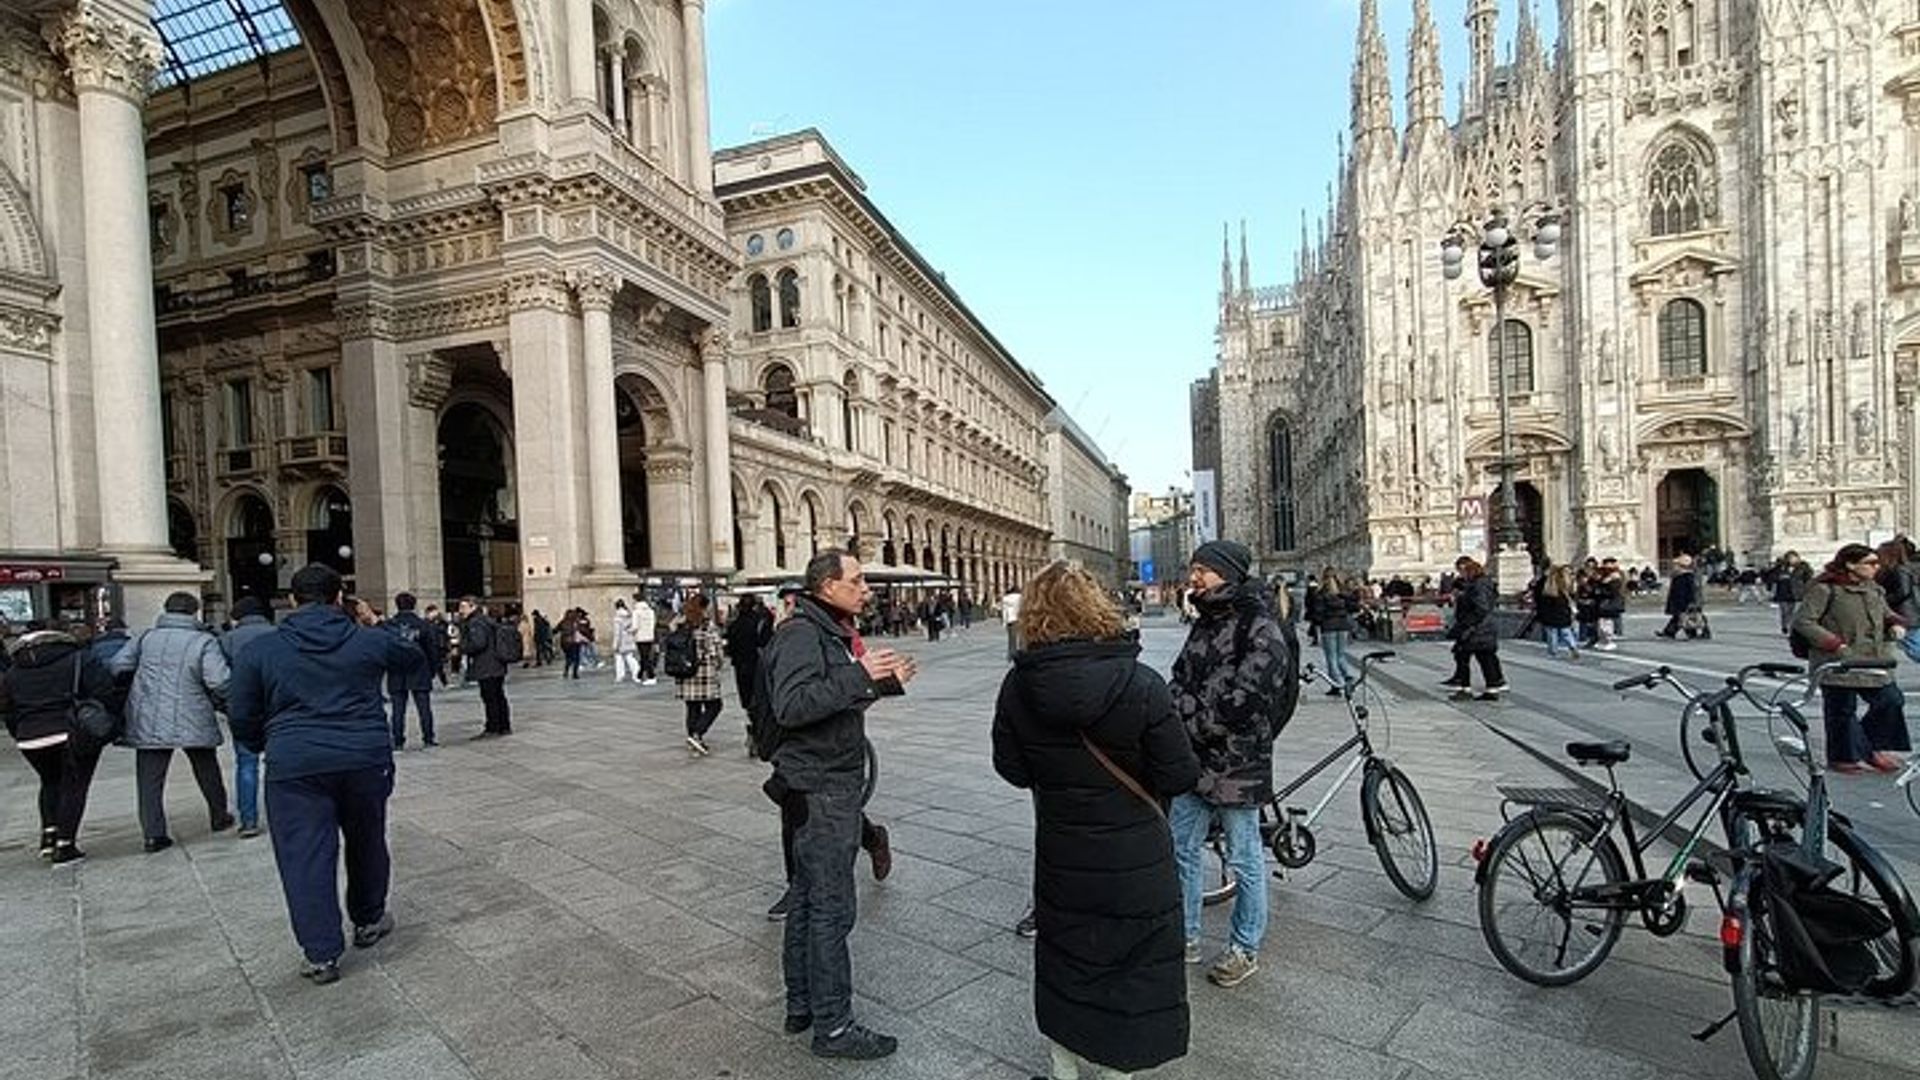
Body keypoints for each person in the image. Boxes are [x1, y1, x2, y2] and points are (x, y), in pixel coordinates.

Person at [992, 561, 1200, 1080]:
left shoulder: (1019, 687)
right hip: (1137, 856)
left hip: (1064, 850)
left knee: (1069, 955)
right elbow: (1180, 773)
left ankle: (1064, 1064)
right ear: (1096, 606)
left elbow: (1012, 769)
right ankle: (1118, 1070)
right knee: (1134, 959)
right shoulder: (1142, 683)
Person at [229, 564, 425, 985]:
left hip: (295, 763)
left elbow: (241, 714)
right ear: (340, 598)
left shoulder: (262, 650)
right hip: (363, 757)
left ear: (293, 601)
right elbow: (413, 656)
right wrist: (375, 622)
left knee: (304, 854)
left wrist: (267, 744)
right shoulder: (367, 641)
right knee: (367, 838)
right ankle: (369, 918)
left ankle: (321, 952)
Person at [764, 550, 917, 1060]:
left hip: (825, 780)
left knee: (807, 899)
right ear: (828, 585)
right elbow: (792, 705)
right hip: (820, 786)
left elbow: (828, 703)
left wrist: (881, 680)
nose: (866, 588)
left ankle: (802, 1006)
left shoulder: (825, 629)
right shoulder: (801, 634)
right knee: (831, 909)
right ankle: (833, 1027)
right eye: (857, 580)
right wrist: (860, 674)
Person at [1168, 539, 1292, 989]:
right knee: (1179, 848)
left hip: (1239, 763)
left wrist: (1195, 724)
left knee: (1243, 858)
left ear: (1228, 572)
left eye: (1203, 569)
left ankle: (1244, 948)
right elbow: (1178, 678)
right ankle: (1185, 936)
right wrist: (1179, 714)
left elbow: (1251, 696)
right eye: (1193, 568)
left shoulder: (1260, 624)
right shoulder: (1204, 620)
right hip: (1194, 760)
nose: (1194, 576)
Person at [111, 592, 234, 852]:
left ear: (166, 609)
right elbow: (219, 681)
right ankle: (219, 815)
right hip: (193, 712)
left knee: (149, 779)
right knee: (206, 768)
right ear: (194, 611)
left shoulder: (144, 638)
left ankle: (153, 834)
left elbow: (117, 665)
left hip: (148, 715)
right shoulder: (203, 641)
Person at [1, 624, 119, 864]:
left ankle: (49, 835)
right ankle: (66, 844)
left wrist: (20, 733)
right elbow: (105, 690)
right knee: (74, 786)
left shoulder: (14, 671)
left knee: (49, 782)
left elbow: (8, 710)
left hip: (30, 738)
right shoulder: (78, 659)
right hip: (71, 732)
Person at [1795, 544, 1911, 774]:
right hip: (1838, 659)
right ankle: (1843, 756)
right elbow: (1804, 621)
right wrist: (1834, 644)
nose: (1876, 568)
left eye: (1877, 563)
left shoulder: (1874, 589)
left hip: (1873, 659)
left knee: (1891, 700)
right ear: (1850, 564)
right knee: (1842, 710)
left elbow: (1886, 613)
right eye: (1870, 563)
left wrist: (1896, 623)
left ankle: (1871, 748)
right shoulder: (1825, 589)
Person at [220, 597, 279, 836]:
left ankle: (249, 820)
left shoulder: (227, 640)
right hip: (278, 704)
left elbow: (219, 676)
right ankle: (282, 816)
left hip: (244, 706)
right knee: (279, 763)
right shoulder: (280, 634)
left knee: (246, 764)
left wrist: (227, 702)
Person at [1440, 556, 1507, 700]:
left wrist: (1467, 622)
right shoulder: (1485, 584)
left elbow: (1480, 608)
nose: (1461, 575)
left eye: (1463, 572)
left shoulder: (1477, 586)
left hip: (1475, 629)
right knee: (1485, 658)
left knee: (1463, 656)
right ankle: (1492, 689)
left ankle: (1466, 689)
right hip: (1484, 628)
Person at [384, 593, 441, 750]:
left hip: (396, 671)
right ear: (414, 605)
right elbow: (431, 649)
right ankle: (428, 738)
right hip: (419, 670)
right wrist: (432, 669)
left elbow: (384, 649)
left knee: (398, 709)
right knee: (424, 707)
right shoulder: (423, 625)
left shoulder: (390, 625)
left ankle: (398, 741)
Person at [674, 594, 726, 756]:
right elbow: (715, 650)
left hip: (685, 671)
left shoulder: (681, 623)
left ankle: (693, 740)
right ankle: (697, 734)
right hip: (704, 673)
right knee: (715, 705)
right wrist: (719, 664)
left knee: (692, 707)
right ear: (704, 607)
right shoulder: (706, 625)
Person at [459, 598, 511, 738]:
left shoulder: (476, 622)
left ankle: (492, 728)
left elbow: (479, 643)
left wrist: (462, 648)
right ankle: (504, 726)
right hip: (497, 663)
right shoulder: (487, 620)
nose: (461, 610)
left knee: (490, 697)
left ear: (473, 607)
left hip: (486, 664)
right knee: (499, 695)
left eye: (463, 607)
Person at [1306, 566, 1358, 695]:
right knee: (1341, 655)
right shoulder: (1343, 592)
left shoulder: (1322, 593)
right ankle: (1348, 678)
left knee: (1331, 658)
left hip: (1328, 627)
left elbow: (1318, 613)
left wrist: (1316, 621)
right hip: (1343, 626)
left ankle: (1337, 685)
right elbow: (1353, 606)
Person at [725, 593, 774, 720]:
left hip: (740, 666)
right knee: (760, 695)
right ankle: (760, 722)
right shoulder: (760, 622)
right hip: (758, 664)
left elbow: (730, 649)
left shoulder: (734, 625)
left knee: (746, 696)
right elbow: (767, 642)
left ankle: (752, 720)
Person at [1876, 538, 1920, 663]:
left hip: (1904, 612)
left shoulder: (1899, 570)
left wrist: (1883, 600)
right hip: (1907, 612)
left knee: (1913, 645)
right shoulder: (1899, 569)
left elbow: (1903, 592)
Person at [1537, 565, 1579, 660]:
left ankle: (1553, 651)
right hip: (1563, 613)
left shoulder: (1548, 588)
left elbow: (1541, 601)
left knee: (1552, 634)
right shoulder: (1564, 587)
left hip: (1550, 615)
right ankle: (1573, 647)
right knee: (1566, 632)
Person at [1658, 554, 1703, 638]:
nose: (1674, 566)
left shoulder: (1684, 576)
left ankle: (1672, 632)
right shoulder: (1681, 575)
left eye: (1677, 565)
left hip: (1682, 601)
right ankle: (1670, 632)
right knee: (1680, 618)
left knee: (1683, 617)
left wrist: (1688, 602)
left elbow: (1685, 591)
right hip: (1681, 601)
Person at [1772, 551, 1813, 635]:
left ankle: (1790, 628)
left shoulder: (1803, 567)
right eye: (1790, 558)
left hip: (1796, 593)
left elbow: (1808, 578)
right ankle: (1785, 625)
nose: (1792, 560)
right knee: (1784, 612)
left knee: (1793, 612)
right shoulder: (1782, 568)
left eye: (1793, 558)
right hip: (1783, 593)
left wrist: (1807, 589)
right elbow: (1772, 577)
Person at [611, 599, 641, 683]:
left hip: (621, 641)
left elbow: (617, 633)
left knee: (619, 658)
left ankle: (620, 675)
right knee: (630, 657)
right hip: (629, 639)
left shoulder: (617, 618)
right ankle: (636, 673)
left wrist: (615, 645)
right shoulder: (629, 615)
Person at [633, 597, 660, 685]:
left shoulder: (636, 612)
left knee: (645, 658)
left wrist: (630, 631)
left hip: (640, 637)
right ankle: (639, 676)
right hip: (649, 636)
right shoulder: (651, 611)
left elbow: (635, 626)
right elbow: (653, 624)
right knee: (645, 657)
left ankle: (651, 676)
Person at [1001, 587, 1023, 661]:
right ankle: (1022, 654)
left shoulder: (1005, 599)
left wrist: (1004, 622)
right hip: (1020, 619)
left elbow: (1004, 611)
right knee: (1021, 638)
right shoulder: (1021, 597)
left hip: (1011, 620)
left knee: (1011, 639)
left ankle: (1011, 654)